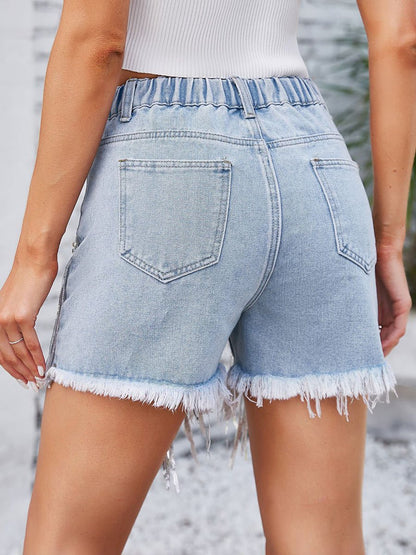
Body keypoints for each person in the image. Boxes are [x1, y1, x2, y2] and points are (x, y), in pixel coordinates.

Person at [0, 0, 413, 552]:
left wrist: (34, 259)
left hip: (171, 157)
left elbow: (97, 43)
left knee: (69, 542)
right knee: (322, 541)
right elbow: (401, 41)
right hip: (315, 163)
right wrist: (388, 243)